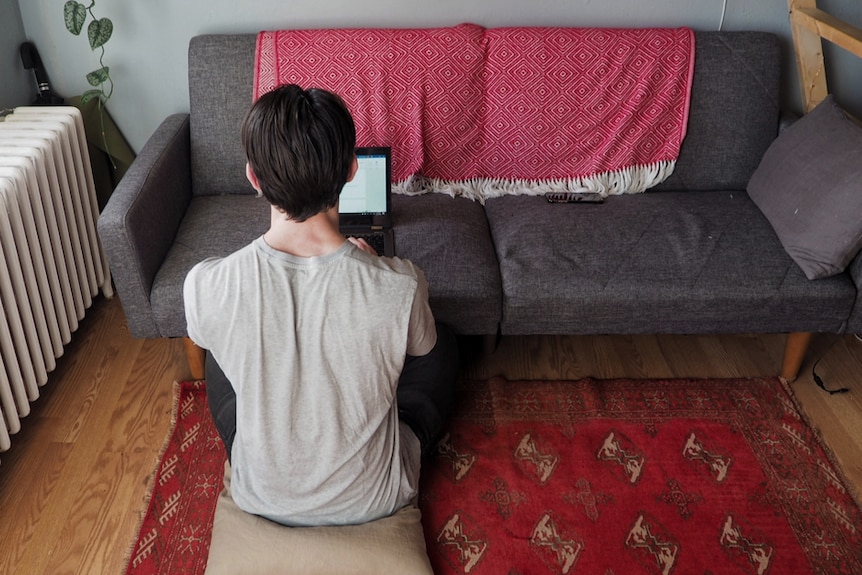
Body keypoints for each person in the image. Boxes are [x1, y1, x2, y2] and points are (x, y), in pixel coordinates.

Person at [183, 84, 459, 527]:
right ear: (352, 169)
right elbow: (423, 353)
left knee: (219, 351)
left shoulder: (207, 283)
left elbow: (210, 336)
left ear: (253, 177)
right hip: (374, 496)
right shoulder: (401, 285)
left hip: (260, 494)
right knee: (441, 341)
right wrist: (376, 274)